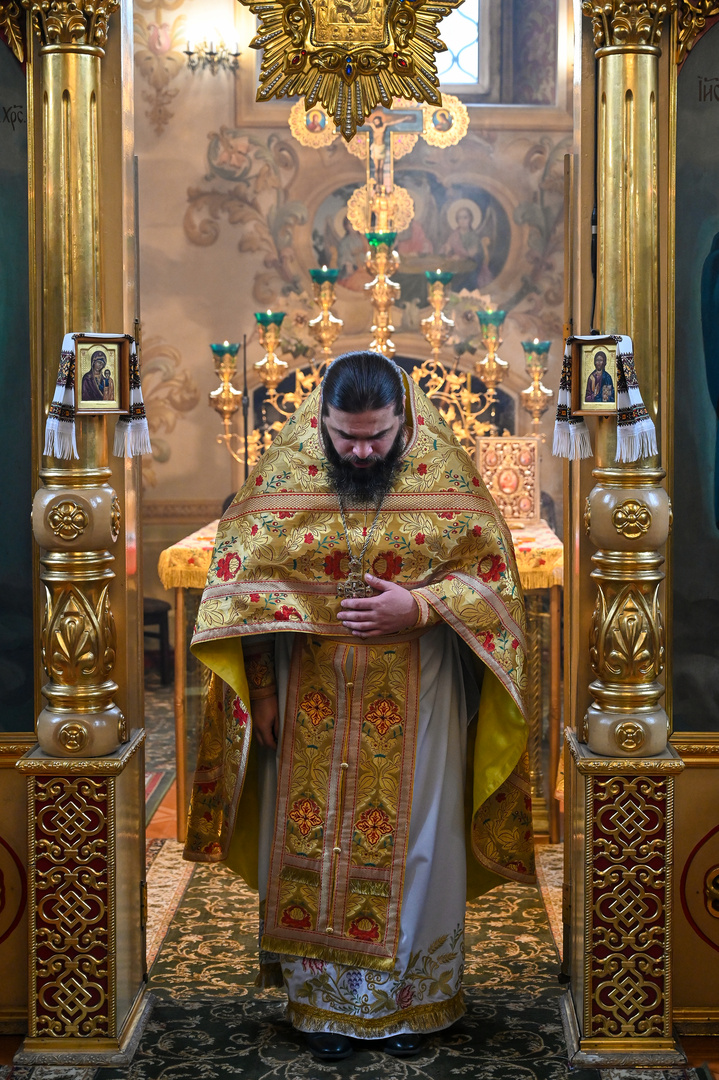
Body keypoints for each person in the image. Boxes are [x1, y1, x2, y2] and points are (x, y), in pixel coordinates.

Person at [184, 351, 533, 1062]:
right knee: (314, 842)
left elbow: (497, 583)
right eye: (346, 437)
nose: (363, 451)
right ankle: (322, 1009)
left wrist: (423, 604)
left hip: (419, 691)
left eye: (377, 435)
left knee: (416, 841)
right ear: (322, 421)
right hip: (309, 694)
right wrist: (267, 692)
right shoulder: (285, 474)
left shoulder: (446, 477)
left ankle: (413, 1006)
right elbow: (241, 585)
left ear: (405, 418)